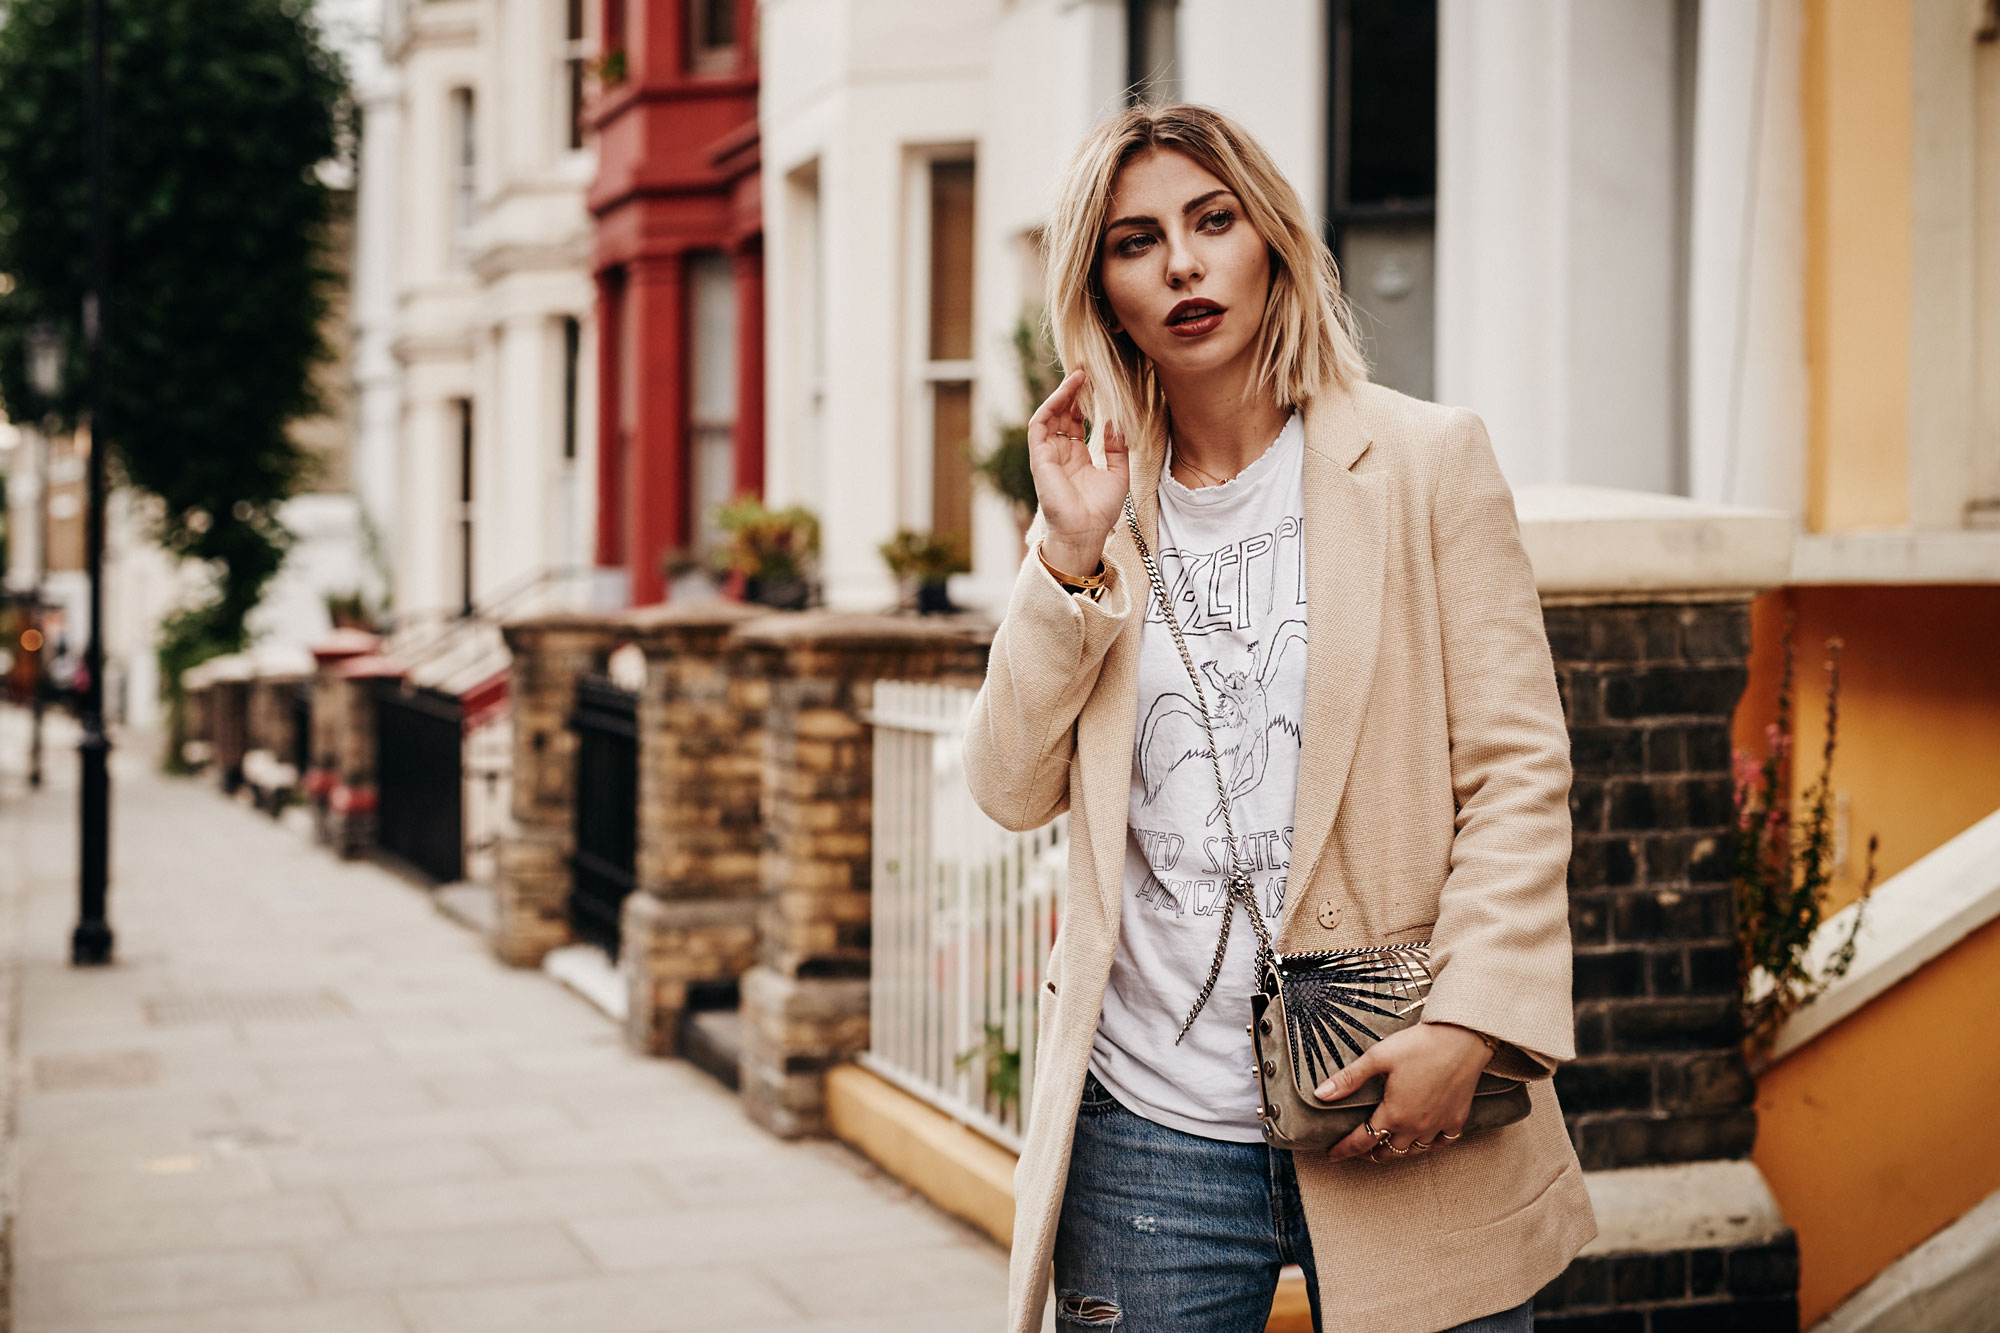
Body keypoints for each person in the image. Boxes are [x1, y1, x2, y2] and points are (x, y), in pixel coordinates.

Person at [963, 104, 1597, 1333]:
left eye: (1213, 222)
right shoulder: (1097, 504)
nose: (1183, 264)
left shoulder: (1424, 462)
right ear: (1102, 286)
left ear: (1273, 243)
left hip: (1398, 1084)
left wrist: (1469, 1026)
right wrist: (1066, 556)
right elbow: (1006, 784)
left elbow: (1517, 773)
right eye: (1136, 240)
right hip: (1146, 1128)